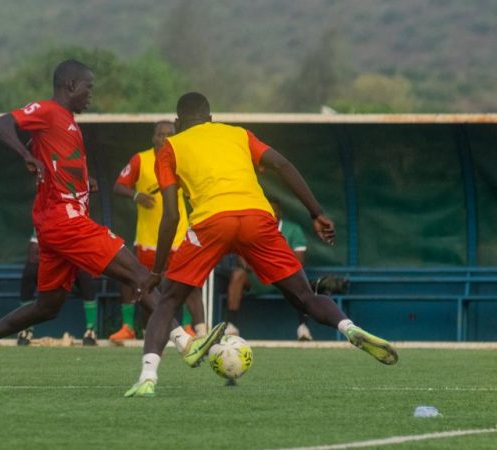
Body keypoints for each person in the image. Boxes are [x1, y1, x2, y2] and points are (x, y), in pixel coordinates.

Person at [0, 60, 224, 386]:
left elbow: (50, 154)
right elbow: (2, 123)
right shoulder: (50, 111)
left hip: (58, 223)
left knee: (47, 306)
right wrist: (25, 157)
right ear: (70, 86)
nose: (91, 94)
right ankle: (186, 344)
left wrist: (82, 179)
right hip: (65, 221)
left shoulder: (65, 122)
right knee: (138, 274)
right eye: (88, 87)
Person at [128, 92, 398, 397]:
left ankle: (148, 377)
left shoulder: (170, 148)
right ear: (211, 119)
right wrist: (316, 212)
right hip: (258, 218)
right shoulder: (238, 134)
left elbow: (172, 214)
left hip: (212, 222)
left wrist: (158, 269)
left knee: (167, 302)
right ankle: (348, 328)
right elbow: (282, 164)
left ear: (177, 124)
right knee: (304, 297)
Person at [112, 121, 206, 341]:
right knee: (138, 282)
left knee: (187, 282)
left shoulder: (183, 159)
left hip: (179, 235)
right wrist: (136, 195)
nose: (164, 138)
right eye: (160, 134)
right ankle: (130, 327)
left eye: (169, 134)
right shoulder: (141, 159)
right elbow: (118, 185)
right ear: (153, 137)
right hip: (148, 238)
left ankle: (191, 328)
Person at [225, 197, 313, 340]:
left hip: (284, 279)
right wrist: (246, 262)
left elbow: (298, 261)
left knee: (298, 279)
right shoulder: (252, 228)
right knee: (238, 274)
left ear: (280, 213)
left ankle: (303, 329)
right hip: (258, 278)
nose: (271, 214)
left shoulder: (293, 230)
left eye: (275, 211)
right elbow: (242, 258)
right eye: (268, 210)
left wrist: (271, 266)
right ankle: (231, 325)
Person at [16, 230, 99, 346]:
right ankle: (26, 329)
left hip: (70, 276)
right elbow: (33, 256)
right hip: (49, 273)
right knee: (29, 272)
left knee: (85, 272)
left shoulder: (75, 221)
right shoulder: (45, 222)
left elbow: (82, 254)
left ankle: (91, 330)